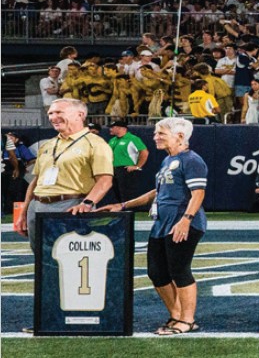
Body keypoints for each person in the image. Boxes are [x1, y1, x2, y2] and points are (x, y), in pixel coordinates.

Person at [97, 118, 207, 335]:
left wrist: (185, 219)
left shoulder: (192, 160)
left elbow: (198, 193)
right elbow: (157, 193)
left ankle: (187, 320)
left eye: (161, 133)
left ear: (180, 137)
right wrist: (123, 205)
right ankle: (176, 315)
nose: (155, 137)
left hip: (182, 222)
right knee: (156, 272)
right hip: (161, 224)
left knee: (179, 270)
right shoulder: (168, 160)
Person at [17, 99, 114, 259]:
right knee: (42, 261)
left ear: (80, 115)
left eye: (59, 112)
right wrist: (24, 211)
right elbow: (36, 180)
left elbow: (105, 180)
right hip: (37, 206)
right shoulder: (48, 145)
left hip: (70, 205)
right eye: (51, 113)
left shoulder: (95, 144)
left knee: (68, 259)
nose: (53, 117)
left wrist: (87, 203)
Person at [107, 120, 148, 203]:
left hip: (126, 169)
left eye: (112, 127)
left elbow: (144, 152)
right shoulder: (112, 140)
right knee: (116, 192)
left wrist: (137, 166)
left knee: (126, 194)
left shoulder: (133, 139)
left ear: (120, 128)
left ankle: (128, 213)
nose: (110, 129)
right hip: (113, 169)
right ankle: (120, 212)